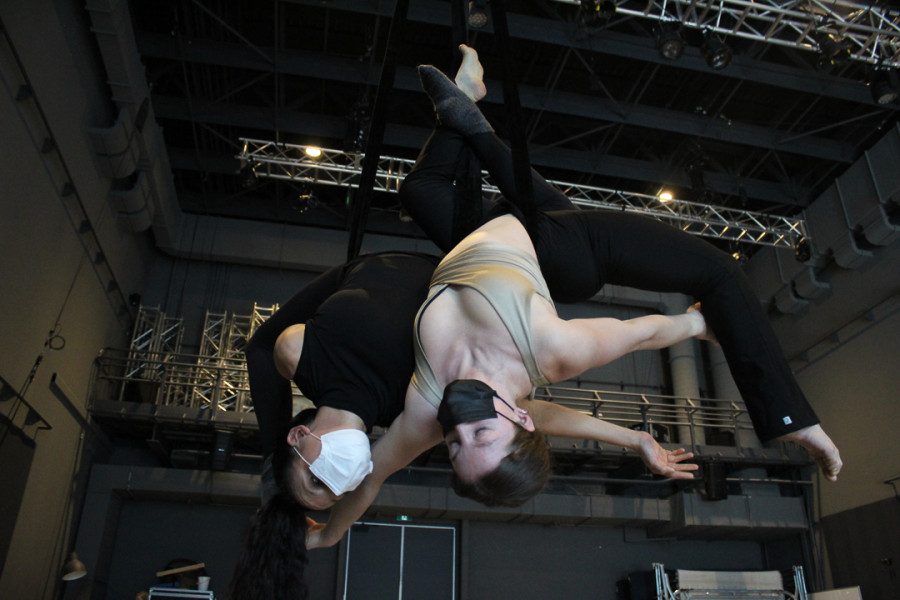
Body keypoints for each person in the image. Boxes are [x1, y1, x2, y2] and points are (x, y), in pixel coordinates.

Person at [305, 46, 841, 548]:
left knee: (419, 192)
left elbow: (370, 477)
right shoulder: (554, 350)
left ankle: (468, 100)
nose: (458, 428)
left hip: (483, 238)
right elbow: (643, 333)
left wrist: (328, 534)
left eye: (453, 446)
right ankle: (793, 419)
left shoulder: (424, 412)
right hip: (565, 248)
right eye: (481, 434)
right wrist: (699, 326)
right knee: (719, 273)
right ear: (519, 419)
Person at [227, 250, 439, 600]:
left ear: (298, 434)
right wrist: (329, 534)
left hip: (375, 262)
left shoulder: (297, 354)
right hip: (447, 262)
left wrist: (271, 464)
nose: (338, 480)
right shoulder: (410, 412)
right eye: (338, 493)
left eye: (316, 479)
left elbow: (259, 349)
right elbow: (372, 479)